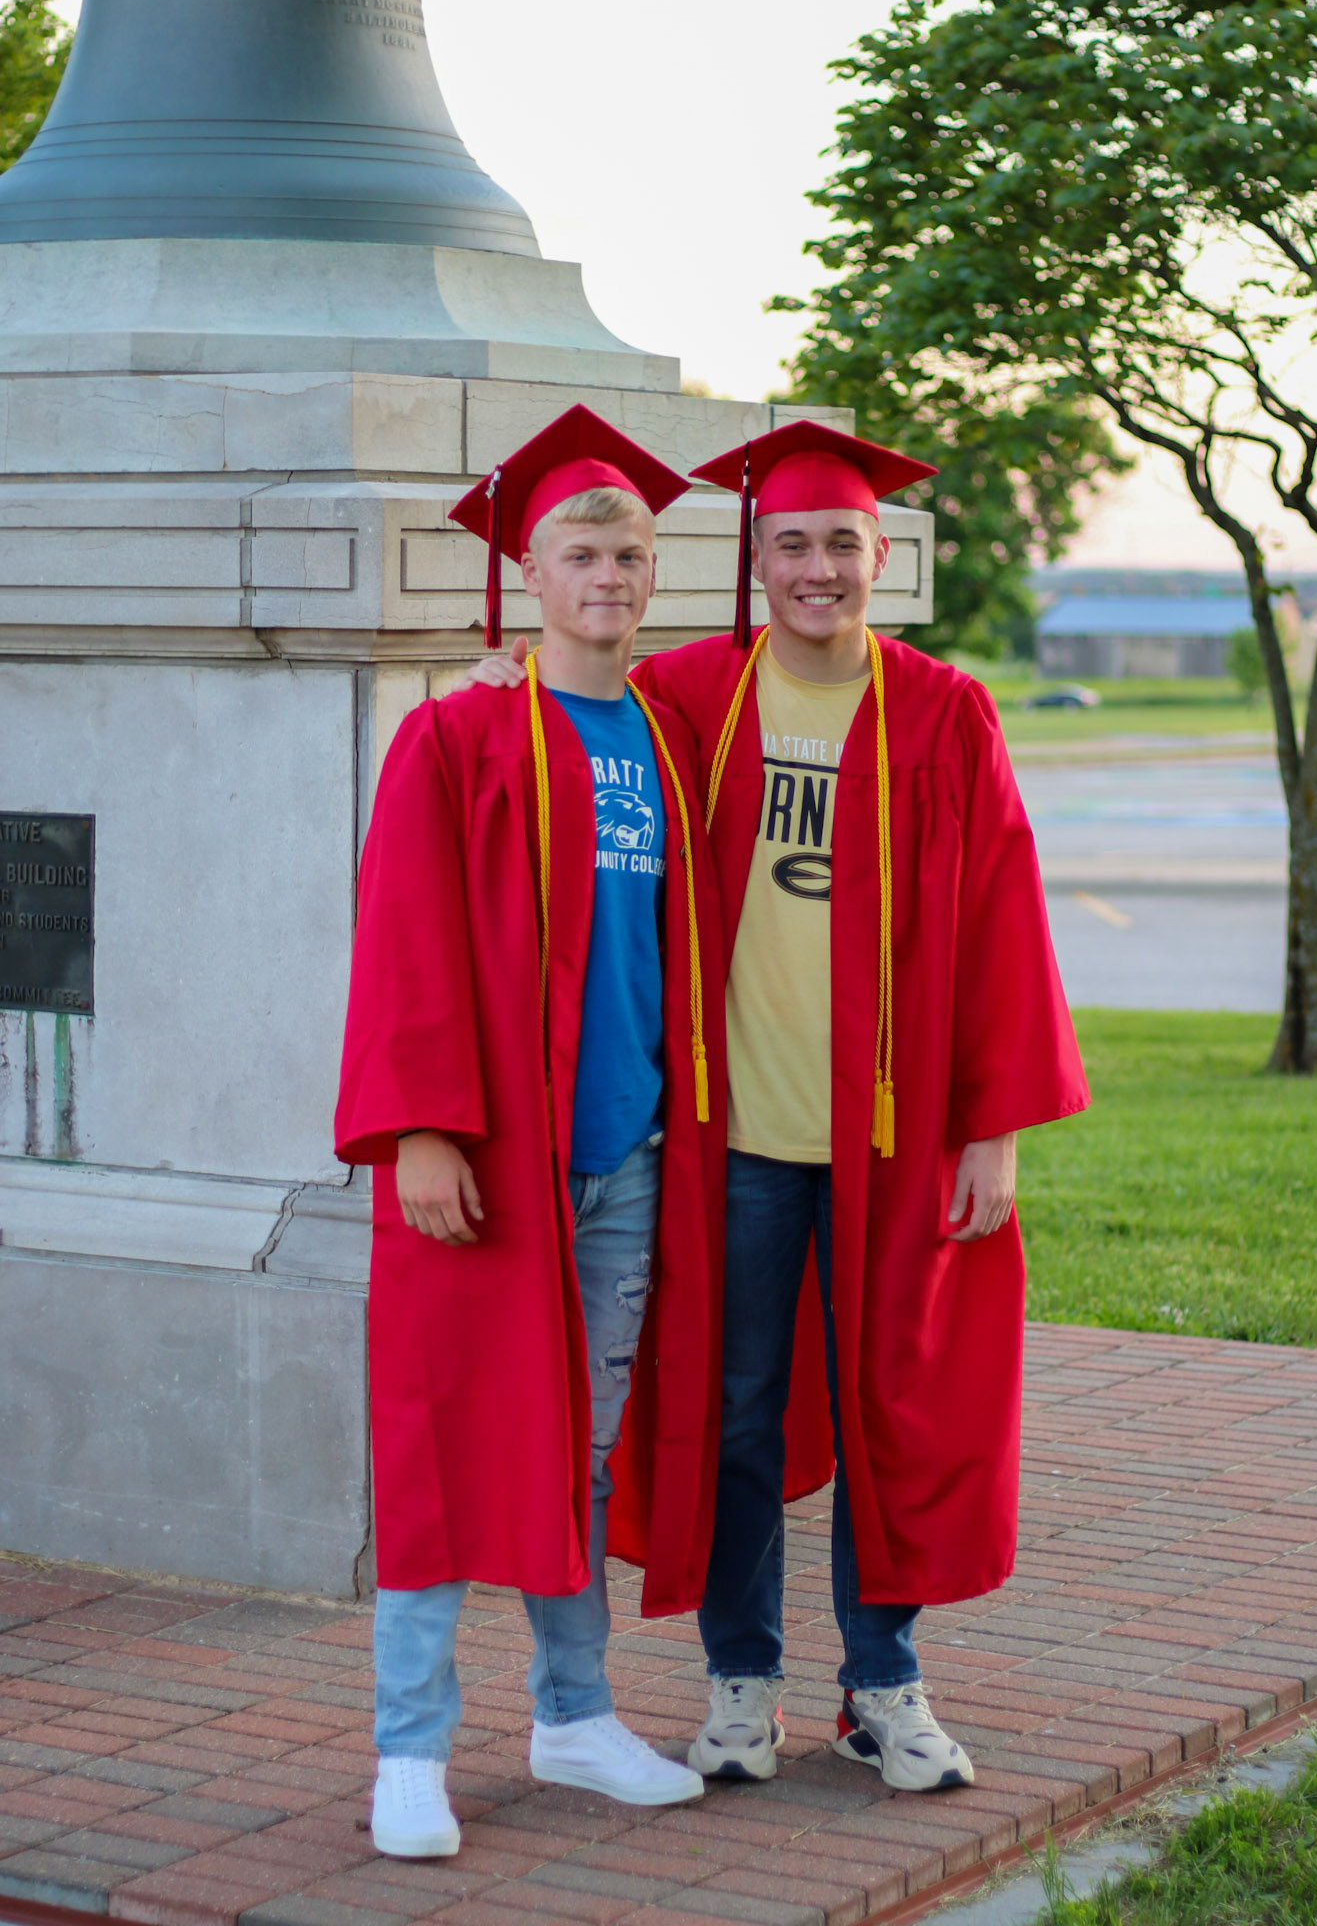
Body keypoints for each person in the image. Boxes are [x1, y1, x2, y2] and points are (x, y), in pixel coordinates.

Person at [464, 418, 1089, 1794]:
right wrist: (492, 695)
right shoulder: (693, 694)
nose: (817, 567)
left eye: (840, 544)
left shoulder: (941, 710)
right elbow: (569, 726)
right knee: (734, 1407)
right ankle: (740, 1676)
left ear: (882, 554)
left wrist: (990, 1130)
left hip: (895, 1135)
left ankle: (882, 1683)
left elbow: (999, 924)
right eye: (791, 544)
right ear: (755, 559)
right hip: (732, 1142)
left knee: (891, 1408)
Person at [334, 406, 727, 1860]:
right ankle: (410, 1749)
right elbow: (405, 944)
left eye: (629, 551)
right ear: (530, 571)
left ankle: (572, 1717)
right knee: (442, 1441)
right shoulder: (455, 735)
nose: (610, 574)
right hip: (484, 1164)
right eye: (582, 550)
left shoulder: (671, 745)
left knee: (583, 1450)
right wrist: (417, 1134)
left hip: (624, 1156)